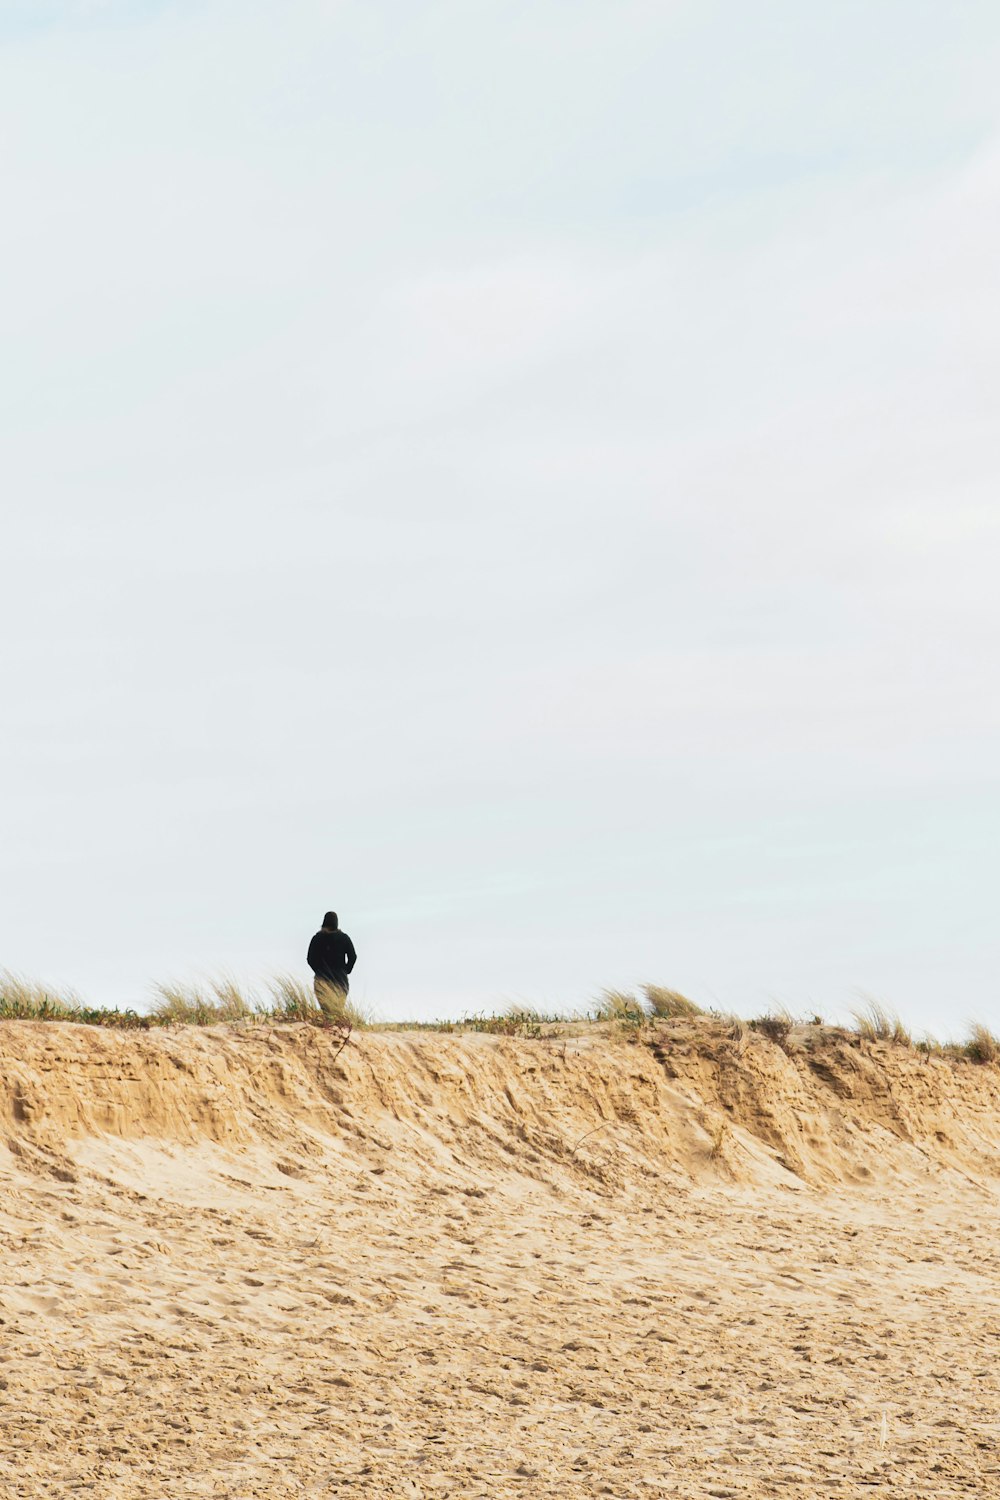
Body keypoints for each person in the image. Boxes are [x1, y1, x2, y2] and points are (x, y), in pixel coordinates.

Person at [307, 911, 357, 1015]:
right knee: (338, 1011)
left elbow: (310, 959)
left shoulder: (317, 938)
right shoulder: (344, 938)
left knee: (326, 1012)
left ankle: (327, 1028)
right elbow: (353, 957)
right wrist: (346, 970)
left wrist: (318, 971)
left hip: (322, 980)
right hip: (340, 980)